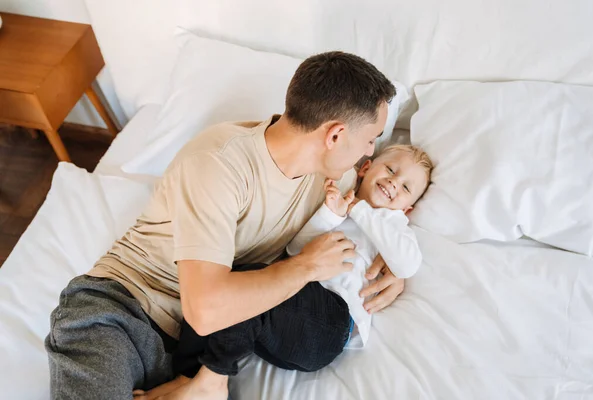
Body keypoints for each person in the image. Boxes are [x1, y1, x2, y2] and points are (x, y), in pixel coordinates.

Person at [45, 51, 401, 400]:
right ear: (335, 136)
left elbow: (383, 212)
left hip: (196, 346)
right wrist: (306, 265)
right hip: (123, 309)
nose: (369, 153)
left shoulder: (334, 180)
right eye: (371, 139)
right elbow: (205, 310)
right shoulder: (218, 164)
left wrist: (395, 267)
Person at [135, 145, 433, 400]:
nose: (394, 183)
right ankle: (188, 375)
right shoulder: (339, 201)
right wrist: (331, 214)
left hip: (331, 322)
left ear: (407, 209)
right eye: (391, 170)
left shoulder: (394, 225)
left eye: (406, 187)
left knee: (252, 289)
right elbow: (296, 251)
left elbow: (406, 263)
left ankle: (211, 381)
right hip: (290, 317)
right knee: (232, 285)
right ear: (366, 167)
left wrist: (359, 210)